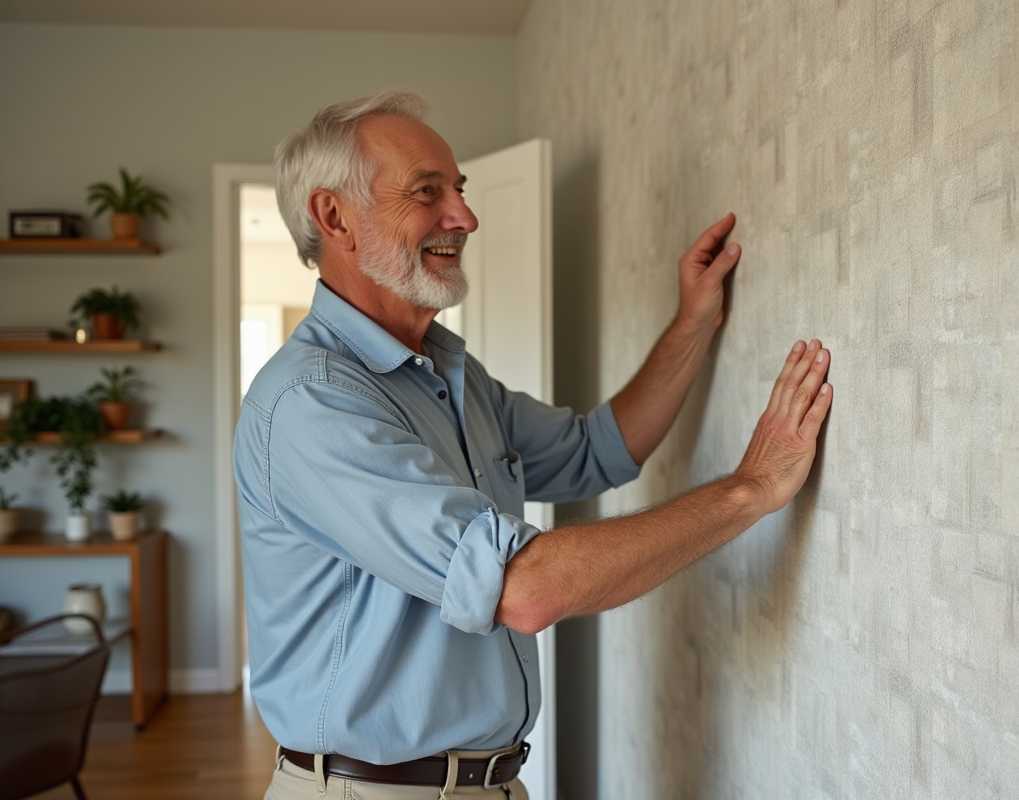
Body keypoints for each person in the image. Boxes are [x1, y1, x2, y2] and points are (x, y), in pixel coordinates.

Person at [234, 88, 832, 800]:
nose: (465, 216)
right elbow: (524, 587)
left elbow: (594, 452)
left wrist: (693, 326)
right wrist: (750, 490)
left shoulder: (451, 375)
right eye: (428, 192)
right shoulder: (313, 403)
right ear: (334, 217)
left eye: (458, 189)